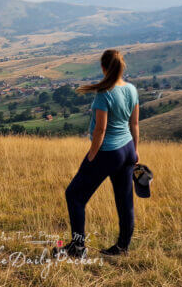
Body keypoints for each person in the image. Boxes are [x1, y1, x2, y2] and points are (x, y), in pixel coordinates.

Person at [56, 49, 139, 258]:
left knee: (74, 195)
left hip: (108, 151)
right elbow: (135, 124)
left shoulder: (105, 94)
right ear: (121, 67)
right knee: (125, 201)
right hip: (128, 148)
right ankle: (122, 248)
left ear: (103, 68)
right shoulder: (132, 89)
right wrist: (135, 151)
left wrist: (92, 155)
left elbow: (100, 130)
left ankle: (78, 248)